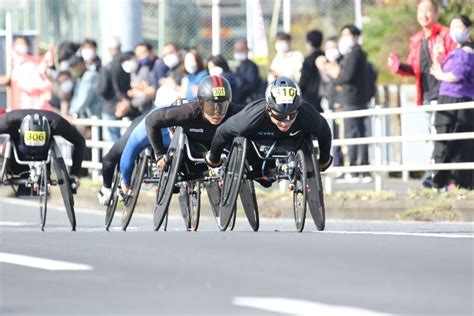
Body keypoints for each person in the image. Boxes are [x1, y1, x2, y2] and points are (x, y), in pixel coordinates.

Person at [205, 76, 332, 188]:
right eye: (279, 116)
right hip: (257, 147)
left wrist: (323, 160)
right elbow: (222, 132)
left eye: (291, 116)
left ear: (298, 109)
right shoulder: (250, 118)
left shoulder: (307, 114)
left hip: (295, 142)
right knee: (264, 180)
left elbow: (324, 132)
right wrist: (214, 159)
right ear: (268, 109)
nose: (285, 122)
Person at [388, 0, 457, 188]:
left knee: (441, 135)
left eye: (428, 10)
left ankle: (441, 177)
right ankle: (437, 175)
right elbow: (415, 69)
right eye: (420, 11)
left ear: (436, 13)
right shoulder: (417, 40)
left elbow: (456, 62)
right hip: (426, 94)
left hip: (445, 93)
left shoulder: (446, 35)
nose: (424, 15)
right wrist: (398, 65)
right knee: (431, 136)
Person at [145, 75, 242, 173]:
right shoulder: (188, 112)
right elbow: (150, 120)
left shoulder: (234, 111)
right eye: (211, 106)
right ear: (201, 103)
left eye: (222, 106)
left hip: (220, 149)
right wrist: (159, 155)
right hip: (190, 150)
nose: (216, 112)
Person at [429, 15, 474, 190]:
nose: (455, 30)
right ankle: (441, 181)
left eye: (459, 26)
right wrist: (436, 56)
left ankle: (458, 183)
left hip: (459, 101)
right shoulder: (454, 53)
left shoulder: (467, 52)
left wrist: (441, 75)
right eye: (452, 26)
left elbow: (457, 75)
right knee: (443, 142)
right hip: (446, 99)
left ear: (468, 29)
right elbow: (436, 71)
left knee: (459, 145)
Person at [0, 109, 86, 194]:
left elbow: (80, 141)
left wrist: (74, 174)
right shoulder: (8, 121)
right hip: (18, 153)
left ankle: (43, 174)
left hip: (43, 154)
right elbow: (80, 141)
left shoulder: (56, 122)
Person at [98, 107, 171, 204]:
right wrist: (125, 182)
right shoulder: (142, 131)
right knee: (113, 156)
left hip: (167, 123)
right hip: (144, 126)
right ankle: (106, 189)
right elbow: (121, 156)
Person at [330, 25, 371, 182]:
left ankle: (355, 170)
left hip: (352, 99)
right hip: (355, 99)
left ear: (355, 36)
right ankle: (362, 169)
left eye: (347, 35)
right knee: (359, 134)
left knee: (353, 135)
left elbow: (347, 76)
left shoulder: (355, 53)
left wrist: (336, 77)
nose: (344, 38)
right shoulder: (353, 54)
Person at [316, 36, 344, 170]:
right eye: (328, 48)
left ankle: (340, 164)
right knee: (328, 133)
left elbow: (338, 75)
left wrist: (328, 65)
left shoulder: (342, 62)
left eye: (333, 47)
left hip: (339, 104)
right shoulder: (321, 62)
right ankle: (332, 162)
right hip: (326, 103)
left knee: (340, 135)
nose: (331, 51)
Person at [300, 30, 324, 113]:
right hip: (324, 95)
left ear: (309, 43)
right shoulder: (325, 56)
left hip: (310, 97)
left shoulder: (308, 60)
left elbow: (303, 81)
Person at [233, 40, 263, 104]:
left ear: (247, 50)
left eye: (241, 50)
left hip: (248, 101)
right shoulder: (238, 66)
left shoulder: (251, 67)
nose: (238, 52)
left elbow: (251, 86)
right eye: (237, 50)